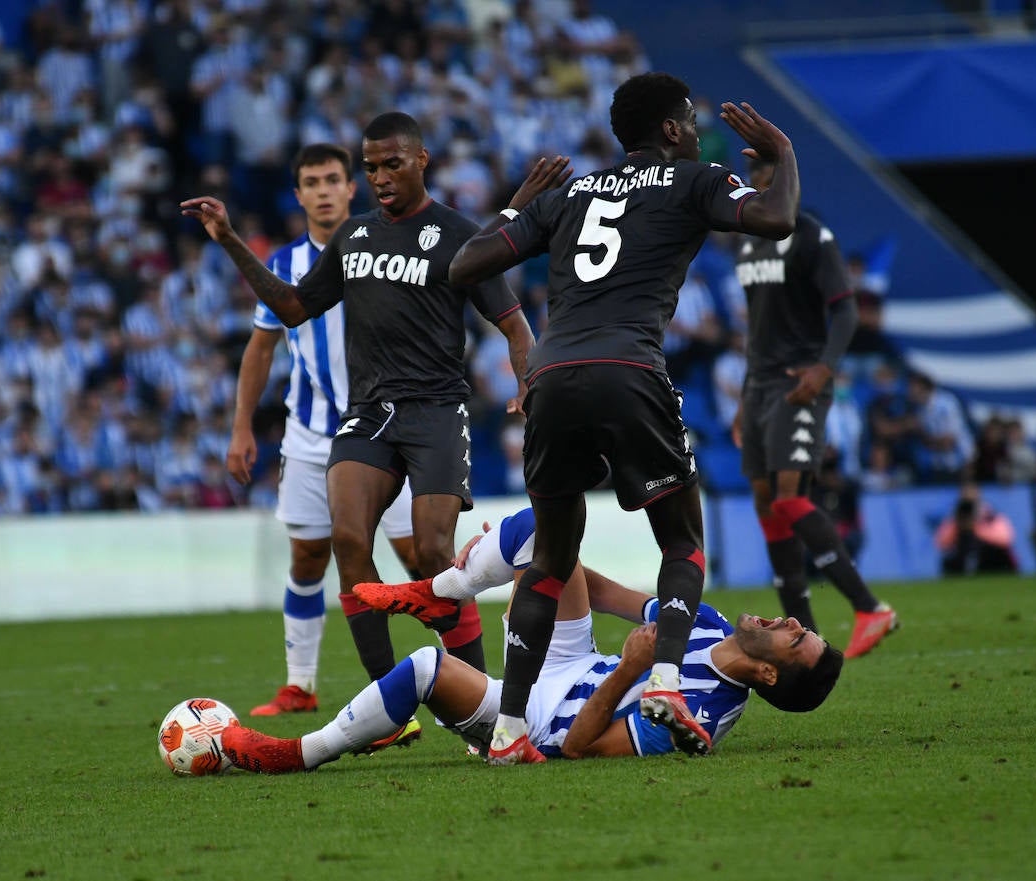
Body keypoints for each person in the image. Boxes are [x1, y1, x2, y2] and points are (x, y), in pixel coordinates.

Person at [445, 72, 801, 762]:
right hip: (629, 370)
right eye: (690, 122)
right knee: (681, 545)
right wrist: (782, 154)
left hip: (549, 376)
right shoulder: (696, 178)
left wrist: (519, 207)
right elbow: (776, 219)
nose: (696, 133)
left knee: (551, 558)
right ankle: (666, 679)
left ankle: (510, 729)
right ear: (670, 131)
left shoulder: (570, 194)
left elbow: (465, 264)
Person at [182, 113, 548, 744]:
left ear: (422, 160)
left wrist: (528, 384)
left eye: (391, 164)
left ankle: (482, 712)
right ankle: (389, 710)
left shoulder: (459, 235)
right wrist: (230, 240)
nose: (378, 177)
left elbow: (514, 325)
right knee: (348, 541)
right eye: (370, 167)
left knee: (434, 554)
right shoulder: (351, 238)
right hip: (368, 414)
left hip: (436, 411)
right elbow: (294, 308)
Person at [223, 506, 844, 773]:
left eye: (795, 640)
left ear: (768, 677)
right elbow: (602, 594)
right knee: (547, 531)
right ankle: (446, 588)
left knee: (423, 667)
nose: (788, 622)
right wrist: (535, 566)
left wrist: (630, 671)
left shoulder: (700, 714)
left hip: (545, 720)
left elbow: (580, 750)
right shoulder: (701, 619)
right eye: (801, 625)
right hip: (572, 658)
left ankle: (295, 754)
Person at [226, 144, 420, 718]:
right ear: (299, 194)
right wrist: (241, 426)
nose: (324, 190)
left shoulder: (390, 246)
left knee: (422, 560)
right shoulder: (282, 267)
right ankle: (301, 685)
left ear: (352, 186)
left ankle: (471, 687)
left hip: (389, 429)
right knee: (308, 557)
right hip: (310, 436)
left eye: (333, 179)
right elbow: (260, 349)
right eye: (312, 182)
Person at [731, 154, 897, 659]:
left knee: (787, 498)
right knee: (766, 504)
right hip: (758, 384)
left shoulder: (812, 237)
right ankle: (804, 635)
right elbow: (757, 327)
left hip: (799, 379)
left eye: (769, 183)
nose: (760, 193)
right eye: (755, 186)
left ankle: (870, 608)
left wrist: (824, 368)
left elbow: (845, 309)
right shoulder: (746, 243)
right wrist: (743, 398)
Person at [934, 483, 1018, 575]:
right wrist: (957, 525)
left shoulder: (990, 514)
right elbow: (941, 543)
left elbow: (1006, 538)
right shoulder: (956, 518)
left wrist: (976, 528)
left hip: (992, 557)